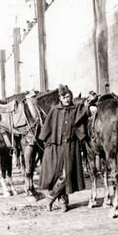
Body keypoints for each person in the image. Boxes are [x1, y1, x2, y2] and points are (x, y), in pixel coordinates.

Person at [38, 84, 88, 212]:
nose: (67, 99)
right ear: (60, 98)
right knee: (57, 175)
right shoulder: (55, 110)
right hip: (56, 146)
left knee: (67, 175)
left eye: (69, 96)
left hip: (70, 146)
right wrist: (48, 145)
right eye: (64, 97)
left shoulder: (75, 109)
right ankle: (63, 202)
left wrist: (91, 107)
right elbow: (47, 129)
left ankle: (50, 198)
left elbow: (84, 112)